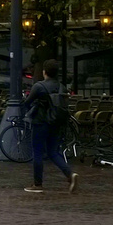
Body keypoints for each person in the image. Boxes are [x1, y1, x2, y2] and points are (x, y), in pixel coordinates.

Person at [23, 59, 77, 194]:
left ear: (44, 72)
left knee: (38, 152)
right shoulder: (61, 87)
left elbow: (27, 102)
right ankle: (70, 174)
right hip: (56, 123)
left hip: (40, 122)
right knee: (53, 152)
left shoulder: (39, 86)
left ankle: (38, 184)